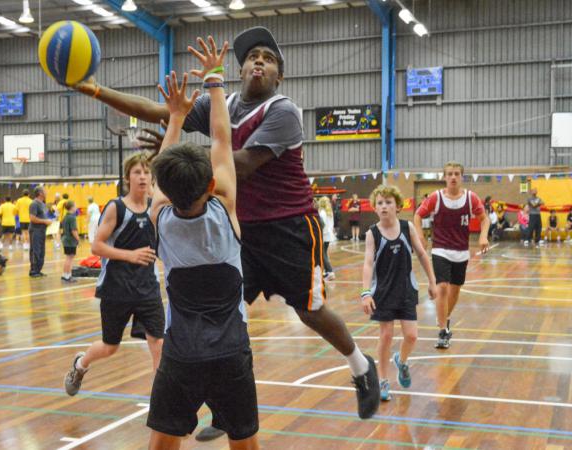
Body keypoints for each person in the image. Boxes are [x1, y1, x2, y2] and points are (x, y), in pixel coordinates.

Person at [74, 28, 380, 438]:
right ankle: (225, 402)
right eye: (252, 56)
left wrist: (174, 159)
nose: (259, 61)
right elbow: (157, 108)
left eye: (268, 58)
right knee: (227, 309)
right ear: (237, 71)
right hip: (242, 228)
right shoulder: (227, 103)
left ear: (279, 75)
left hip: (290, 225)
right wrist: (95, 89)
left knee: (308, 309)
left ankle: (361, 365)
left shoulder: (283, 109)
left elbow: (237, 163)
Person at [148, 42, 257, 449]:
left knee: (162, 444)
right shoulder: (225, 206)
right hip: (231, 352)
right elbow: (221, 139)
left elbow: (163, 175)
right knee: (245, 443)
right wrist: (214, 81)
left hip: (181, 355)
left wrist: (174, 117)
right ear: (210, 185)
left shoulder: (160, 218)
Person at [64, 150, 164, 407]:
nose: (142, 177)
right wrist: (130, 256)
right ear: (128, 178)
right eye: (137, 172)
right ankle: (80, 364)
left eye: (146, 172)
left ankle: (162, 400)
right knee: (110, 346)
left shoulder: (156, 208)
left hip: (147, 288)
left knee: (159, 342)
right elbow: (96, 247)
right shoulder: (115, 208)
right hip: (116, 289)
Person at [361, 185, 436, 401]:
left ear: (398, 206)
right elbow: (367, 264)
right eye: (380, 203)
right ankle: (383, 381)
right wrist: (365, 293)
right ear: (375, 208)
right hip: (382, 292)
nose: (384, 206)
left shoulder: (407, 227)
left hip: (405, 289)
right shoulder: (372, 233)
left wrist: (432, 281)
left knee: (411, 336)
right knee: (385, 336)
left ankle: (401, 361)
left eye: (388, 202)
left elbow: (422, 254)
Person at [414, 161, 488, 350]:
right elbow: (417, 215)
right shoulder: (435, 197)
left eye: (456, 173)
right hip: (440, 249)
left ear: (461, 177)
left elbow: (484, 219)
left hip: (461, 251)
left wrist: (483, 235)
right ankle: (442, 331)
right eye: (449, 174)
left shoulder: (471, 198)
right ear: (444, 177)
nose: (453, 177)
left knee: (455, 291)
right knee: (443, 287)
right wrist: (420, 236)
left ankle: (445, 318)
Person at [29, 187, 52, 277]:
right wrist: (45, 221)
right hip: (36, 230)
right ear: (40, 193)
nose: (46, 192)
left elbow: (43, 217)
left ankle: (38, 270)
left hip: (42, 230)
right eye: (44, 191)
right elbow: (32, 218)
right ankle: (33, 270)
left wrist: (49, 221)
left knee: (42, 251)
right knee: (36, 250)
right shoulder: (34, 204)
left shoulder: (43, 204)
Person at [60, 200, 80, 283]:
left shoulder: (65, 216)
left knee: (68, 258)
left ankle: (65, 275)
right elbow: (73, 230)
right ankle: (67, 276)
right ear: (72, 207)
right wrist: (78, 239)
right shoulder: (72, 217)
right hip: (70, 241)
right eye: (75, 206)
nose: (76, 207)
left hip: (65, 239)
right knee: (70, 258)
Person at [317, 196, 335, 281]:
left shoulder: (323, 213)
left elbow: (322, 224)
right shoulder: (329, 212)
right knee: (323, 253)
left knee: (322, 254)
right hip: (328, 235)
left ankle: (330, 271)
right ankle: (324, 271)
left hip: (324, 235)